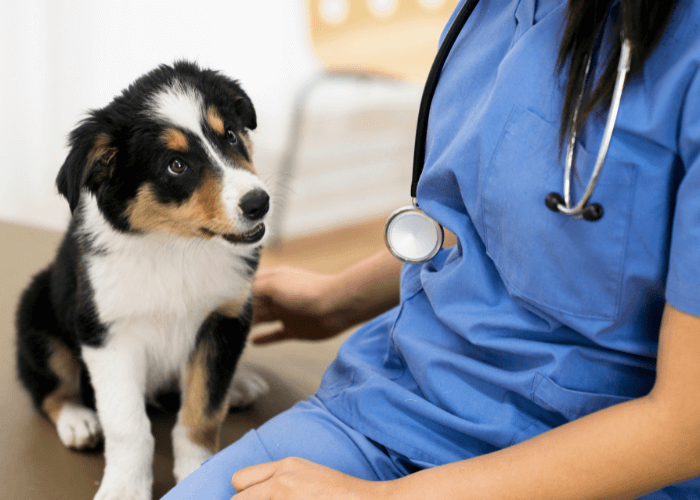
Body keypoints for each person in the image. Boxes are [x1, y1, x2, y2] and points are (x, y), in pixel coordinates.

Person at [164, 0, 700, 498]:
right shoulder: (494, 12)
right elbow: (482, 219)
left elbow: (685, 427)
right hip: (395, 407)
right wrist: (340, 297)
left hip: (586, 466)